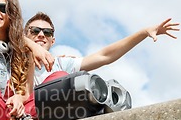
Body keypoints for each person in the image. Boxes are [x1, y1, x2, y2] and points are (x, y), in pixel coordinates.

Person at [24, 12, 180, 86]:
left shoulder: (61, 64)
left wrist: (143, 33)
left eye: (47, 32)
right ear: (25, 34)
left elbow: (104, 56)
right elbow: (4, 34)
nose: (41, 35)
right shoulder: (11, 57)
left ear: (53, 40)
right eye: (35, 31)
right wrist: (31, 47)